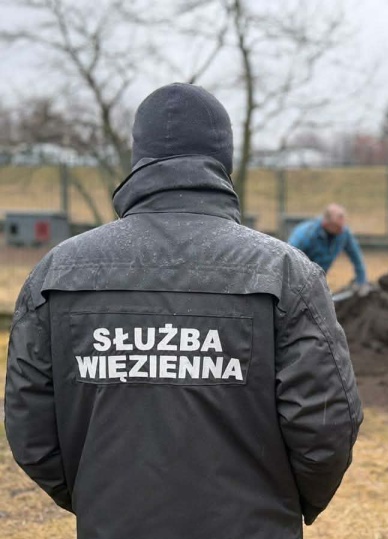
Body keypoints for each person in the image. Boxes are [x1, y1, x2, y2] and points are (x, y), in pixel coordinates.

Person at [4, 83, 362, 539]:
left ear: (140, 158)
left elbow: (30, 427)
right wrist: (280, 505)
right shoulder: (286, 274)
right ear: (223, 161)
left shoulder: (57, 273)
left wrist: (99, 498)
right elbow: (327, 426)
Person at [288, 204, 369, 293]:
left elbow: (356, 257)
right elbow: (289, 259)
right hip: (298, 280)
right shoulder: (305, 235)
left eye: (342, 226)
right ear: (326, 223)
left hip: (318, 279)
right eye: (338, 227)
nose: (342, 230)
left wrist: (361, 281)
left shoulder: (343, 233)